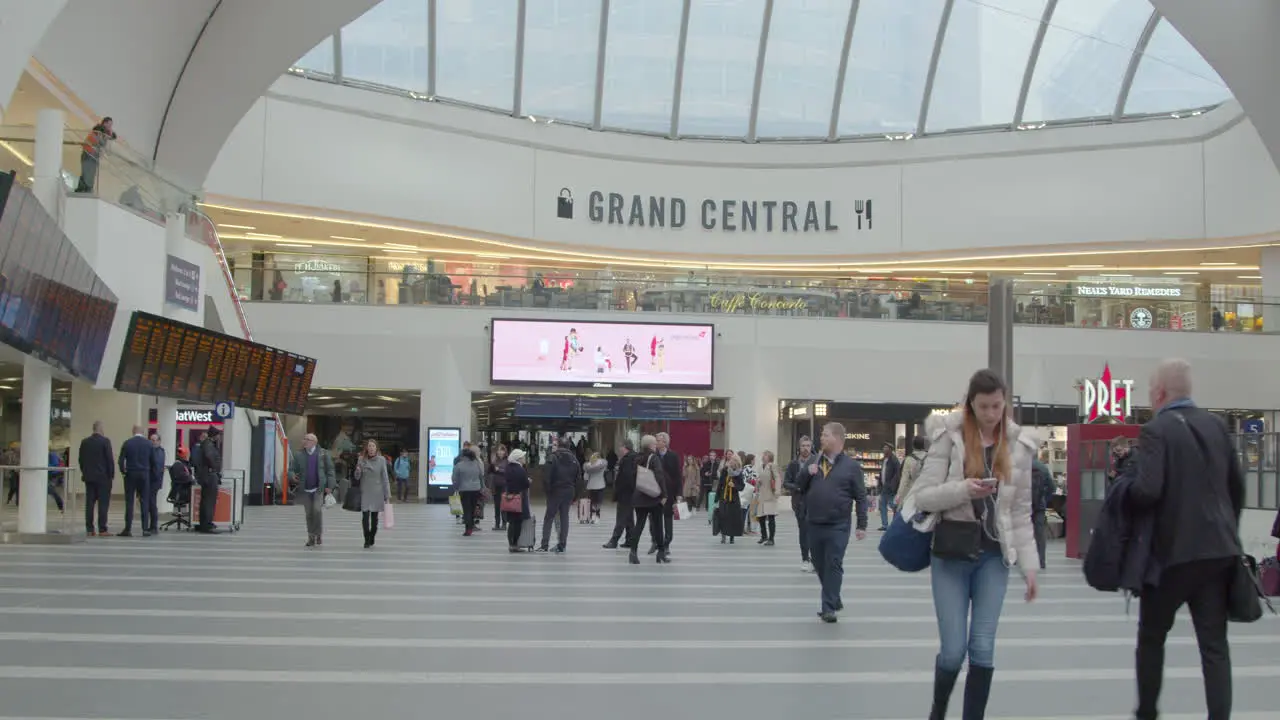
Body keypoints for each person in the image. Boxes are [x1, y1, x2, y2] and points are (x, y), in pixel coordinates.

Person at [911, 369, 1039, 720]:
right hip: (951, 553)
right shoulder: (947, 436)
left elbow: (1022, 513)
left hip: (994, 557)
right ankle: (938, 710)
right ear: (971, 404)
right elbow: (921, 497)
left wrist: (1030, 568)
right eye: (984, 406)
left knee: (982, 648)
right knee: (953, 652)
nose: (991, 414)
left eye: (997, 406)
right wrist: (963, 489)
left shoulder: (1016, 445)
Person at [1128, 359, 1243, 720]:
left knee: (1151, 637)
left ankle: (1147, 712)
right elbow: (1236, 487)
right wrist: (1226, 531)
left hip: (1171, 557)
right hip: (1216, 554)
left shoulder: (1156, 431)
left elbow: (1147, 491)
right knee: (1214, 646)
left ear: (1160, 393)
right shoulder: (1216, 426)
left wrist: (1125, 489)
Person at [796, 423, 869, 623]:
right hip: (814, 522)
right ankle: (833, 596)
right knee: (819, 564)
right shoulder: (814, 460)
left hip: (838, 525)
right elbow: (799, 486)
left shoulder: (851, 467)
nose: (821, 438)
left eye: (825, 435)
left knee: (833, 563)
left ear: (837, 439)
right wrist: (806, 473)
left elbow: (861, 497)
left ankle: (828, 607)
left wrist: (862, 525)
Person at [290, 433, 336, 548]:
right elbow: (291, 469)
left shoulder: (323, 454)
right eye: (304, 439)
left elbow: (330, 471)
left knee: (317, 511)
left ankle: (318, 534)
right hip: (305, 489)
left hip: (318, 488)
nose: (304, 441)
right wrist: (292, 475)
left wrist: (330, 486)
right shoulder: (299, 455)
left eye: (307, 439)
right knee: (309, 513)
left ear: (314, 442)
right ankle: (311, 536)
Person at [628, 435, 668, 565]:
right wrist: (663, 495)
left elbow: (632, 476)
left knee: (639, 525)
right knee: (657, 525)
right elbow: (659, 476)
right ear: (651, 445)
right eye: (655, 443)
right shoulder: (654, 458)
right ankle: (661, 553)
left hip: (640, 496)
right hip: (653, 497)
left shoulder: (636, 458)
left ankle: (633, 552)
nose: (656, 445)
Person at [539, 436, 580, 553]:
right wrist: (575, 495)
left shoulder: (552, 457)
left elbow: (546, 477)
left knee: (549, 517)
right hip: (569, 491)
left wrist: (548, 491)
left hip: (555, 491)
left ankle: (544, 544)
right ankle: (562, 544)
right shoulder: (574, 459)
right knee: (564, 517)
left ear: (559, 445)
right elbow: (579, 479)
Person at [118, 425, 157, 537]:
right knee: (144, 501)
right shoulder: (149, 444)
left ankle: (128, 528)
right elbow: (153, 461)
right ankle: (145, 529)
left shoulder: (127, 443)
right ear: (143, 432)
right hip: (144, 474)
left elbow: (121, 460)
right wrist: (152, 476)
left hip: (131, 474)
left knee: (129, 501)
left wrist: (123, 472)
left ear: (133, 431)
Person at [77, 421, 114, 536]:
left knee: (90, 503)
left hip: (89, 477)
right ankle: (102, 529)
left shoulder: (85, 442)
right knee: (103, 504)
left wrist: (85, 472)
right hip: (103, 478)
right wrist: (111, 475)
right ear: (101, 429)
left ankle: (89, 529)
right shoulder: (105, 441)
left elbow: (81, 460)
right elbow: (109, 460)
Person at [785, 437, 816, 572]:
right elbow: (786, 482)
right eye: (803, 445)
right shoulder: (793, 464)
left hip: (815, 502)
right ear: (799, 447)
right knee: (803, 532)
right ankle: (805, 558)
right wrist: (797, 487)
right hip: (799, 502)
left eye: (808, 445)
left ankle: (815, 559)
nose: (805, 448)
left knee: (815, 532)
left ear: (811, 447)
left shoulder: (817, 461)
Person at [355, 439, 391, 548]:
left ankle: (372, 535)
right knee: (365, 517)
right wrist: (357, 471)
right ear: (367, 448)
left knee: (374, 519)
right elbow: (356, 477)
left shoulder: (381, 460)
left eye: (373, 446)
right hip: (365, 491)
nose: (371, 448)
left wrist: (387, 496)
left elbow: (385, 478)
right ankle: (366, 538)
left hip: (377, 492)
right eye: (369, 446)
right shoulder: (361, 459)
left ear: (376, 448)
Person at [603, 439, 636, 549]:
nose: (619, 449)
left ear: (625, 447)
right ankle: (630, 539)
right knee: (629, 518)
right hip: (630, 493)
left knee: (621, 517)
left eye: (620, 447)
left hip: (625, 493)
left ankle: (614, 540)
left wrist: (619, 490)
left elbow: (626, 477)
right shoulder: (633, 457)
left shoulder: (627, 459)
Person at [654, 432, 681, 556]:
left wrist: (679, 494)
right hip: (655, 492)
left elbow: (678, 476)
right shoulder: (653, 455)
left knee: (668, 519)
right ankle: (656, 542)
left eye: (658, 440)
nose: (656, 442)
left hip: (669, 493)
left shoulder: (673, 456)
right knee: (655, 519)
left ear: (664, 442)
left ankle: (667, 543)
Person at [76, 117, 116, 193]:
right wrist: (109, 133)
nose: (110, 126)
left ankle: (85, 188)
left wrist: (110, 134)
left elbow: (113, 137)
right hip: (88, 153)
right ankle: (85, 189)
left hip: (93, 155)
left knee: (90, 172)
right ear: (105, 123)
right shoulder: (99, 129)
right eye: (109, 124)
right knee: (87, 172)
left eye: (111, 125)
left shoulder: (103, 132)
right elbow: (103, 140)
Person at [195, 427, 223, 533]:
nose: (219, 437)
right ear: (214, 435)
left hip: (206, 475)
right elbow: (209, 457)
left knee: (206, 500)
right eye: (218, 435)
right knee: (209, 501)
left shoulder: (207, 444)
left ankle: (205, 523)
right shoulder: (208, 445)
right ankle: (206, 524)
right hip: (209, 476)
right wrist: (215, 467)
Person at [452, 443, 484, 536]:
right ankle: (471, 526)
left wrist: (456, 488)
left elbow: (455, 478)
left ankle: (468, 529)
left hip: (464, 489)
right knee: (473, 508)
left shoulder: (459, 465)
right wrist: (482, 487)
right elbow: (480, 476)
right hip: (476, 489)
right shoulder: (476, 464)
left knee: (466, 509)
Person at [503, 449, 532, 552]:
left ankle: (511, 543)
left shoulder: (508, 468)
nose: (524, 459)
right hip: (519, 499)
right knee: (518, 522)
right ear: (518, 458)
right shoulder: (520, 470)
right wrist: (528, 481)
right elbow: (525, 484)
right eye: (523, 457)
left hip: (509, 497)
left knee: (511, 522)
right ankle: (515, 544)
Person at [1031, 452, 1054, 570]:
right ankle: (1041, 561)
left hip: (1024, 506)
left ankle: (1017, 559)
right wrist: (1045, 500)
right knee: (1040, 534)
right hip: (1039, 506)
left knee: (1020, 532)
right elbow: (1052, 487)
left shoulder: (1020, 467)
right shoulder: (1043, 468)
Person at [716, 454, 745, 544]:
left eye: (733, 460)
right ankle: (723, 536)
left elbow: (742, 486)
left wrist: (735, 486)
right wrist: (717, 497)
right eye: (731, 460)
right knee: (723, 517)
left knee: (733, 518)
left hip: (734, 499)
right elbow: (720, 484)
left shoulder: (739, 472)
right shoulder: (725, 470)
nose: (731, 462)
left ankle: (732, 537)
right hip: (724, 497)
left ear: (737, 462)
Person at [895, 435, 929, 511]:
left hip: (912, 493)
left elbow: (904, 480)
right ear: (923, 445)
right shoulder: (930, 457)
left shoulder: (909, 459)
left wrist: (899, 495)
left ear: (913, 446)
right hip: (927, 492)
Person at [755, 451, 782, 546]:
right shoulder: (761, 466)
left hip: (770, 495)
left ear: (770, 457)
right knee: (760, 517)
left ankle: (771, 539)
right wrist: (758, 482)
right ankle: (764, 536)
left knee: (771, 517)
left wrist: (778, 491)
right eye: (763, 455)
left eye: (765, 455)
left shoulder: (772, 466)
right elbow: (760, 478)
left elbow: (777, 478)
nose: (763, 457)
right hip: (761, 495)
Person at [879, 442, 902, 531]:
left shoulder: (894, 460)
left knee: (893, 505)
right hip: (884, 486)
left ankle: (895, 523)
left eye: (886, 447)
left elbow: (897, 474)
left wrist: (893, 485)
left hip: (890, 487)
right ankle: (885, 525)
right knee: (882, 505)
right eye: (884, 447)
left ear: (890, 449)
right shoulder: (884, 460)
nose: (884, 449)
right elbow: (882, 473)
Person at [146, 434, 166, 535]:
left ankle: (153, 526)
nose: (153, 442)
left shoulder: (159, 452)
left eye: (154, 440)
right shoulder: (153, 451)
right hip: (152, 481)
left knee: (152, 503)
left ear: (159, 441)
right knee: (150, 503)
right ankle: (152, 525)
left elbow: (157, 468)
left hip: (154, 481)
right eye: (151, 440)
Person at [488, 445, 509, 530]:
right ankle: (497, 524)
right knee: (496, 505)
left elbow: (508, 472)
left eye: (502, 450)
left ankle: (504, 523)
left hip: (504, 485)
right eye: (499, 450)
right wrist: (492, 466)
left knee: (503, 505)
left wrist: (499, 470)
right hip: (495, 485)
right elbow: (489, 471)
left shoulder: (507, 461)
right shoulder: (495, 461)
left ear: (505, 452)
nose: (500, 452)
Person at [584, 452, 607, 524]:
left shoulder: (588, 466)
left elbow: (586, 477)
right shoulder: (603, 465)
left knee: (592, 502)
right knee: (598, 502)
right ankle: (597, 516)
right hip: (601, 485)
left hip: (591, 485)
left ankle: (592, 516)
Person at [47, 448, 65, 513]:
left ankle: (61, 506)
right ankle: (61, 506)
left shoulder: (52, 455)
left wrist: (45, 465)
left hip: (54, 475)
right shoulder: (49, 455)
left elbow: (55, 465)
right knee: (50, 490)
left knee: (51, 490)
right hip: (51, 475)